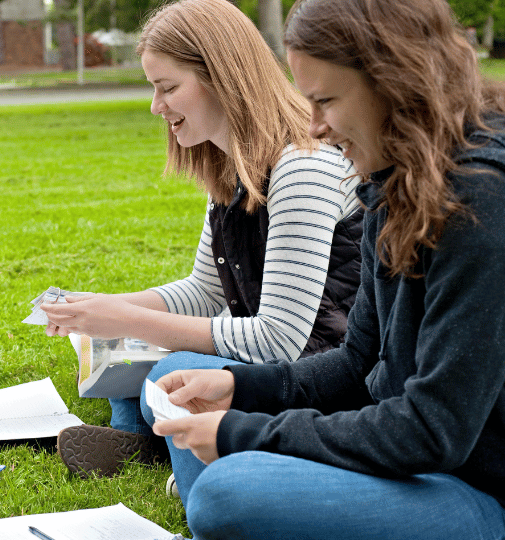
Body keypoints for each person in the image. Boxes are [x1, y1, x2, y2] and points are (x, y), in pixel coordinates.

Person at [147, 0, 505, 538]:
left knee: (229, 490)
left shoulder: (481, 201)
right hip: (409, 458)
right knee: (200, 425)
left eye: (326, 101)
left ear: (395, 84)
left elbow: (434, 430)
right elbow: (357, 362)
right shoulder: (391, 180)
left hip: (476, 485)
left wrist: (244, 433)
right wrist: (236, 388)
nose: (314, 127)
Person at [43, 0, 363, 477]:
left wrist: (130, 319)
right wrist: (101, 310)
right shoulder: (230, 166)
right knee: (126, 353)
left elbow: (280, 340)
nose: (156, 107)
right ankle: (152, 441)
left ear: (220, 77)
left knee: (164, 371)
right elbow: (205, 292)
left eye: (168, 88)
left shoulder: (303, 166)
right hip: (275, 362)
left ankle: (173, 446)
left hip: (312, 377)